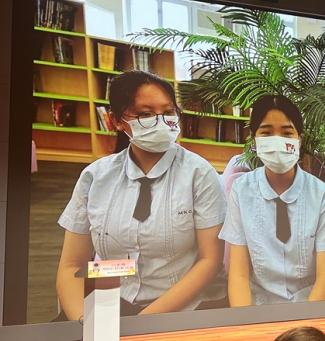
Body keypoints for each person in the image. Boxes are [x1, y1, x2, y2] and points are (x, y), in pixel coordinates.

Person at [55, 70, 228, 320]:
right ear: (116, 120)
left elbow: (210, 261)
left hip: (184, 307)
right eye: (145, 114)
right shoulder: (95, 177)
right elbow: (72, 265)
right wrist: (84, 324)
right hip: (113, 299)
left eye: (169, 112)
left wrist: (140, 325)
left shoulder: (199, 174)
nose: (161, 122)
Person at [219, 95, 325, 306]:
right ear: (254, 140)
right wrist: (247, 321)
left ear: (299, 140)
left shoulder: (320, 194)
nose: (277, 141)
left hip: (308, 304)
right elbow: (238, 275)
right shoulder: (241, 190)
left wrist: (304, 324)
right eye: (266, 133)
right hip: (257, 305)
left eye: (287, 133)